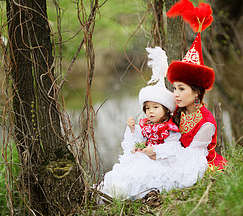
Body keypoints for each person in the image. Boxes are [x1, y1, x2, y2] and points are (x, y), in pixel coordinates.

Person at [97, 47, 183, 200]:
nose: (151, 111)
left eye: (156, 107)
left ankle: (137, 194)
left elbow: (173, 147)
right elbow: (139, 138)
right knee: (127, 172)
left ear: (166, 109)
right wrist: (133, 130)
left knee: (144, 175)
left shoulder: (169, 128)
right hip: (144, 156)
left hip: (159, 160)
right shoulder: (146, 125)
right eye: (148, 108)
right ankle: (115, 193)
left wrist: (154, 150)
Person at [166, 0, 227, 177]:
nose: (175, 94)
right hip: (177, 157)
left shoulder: (207, 122)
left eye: (181, 89)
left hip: (197, 162)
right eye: (174, 88)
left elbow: (191, 155)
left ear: (197, 92)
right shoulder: (178, 109)